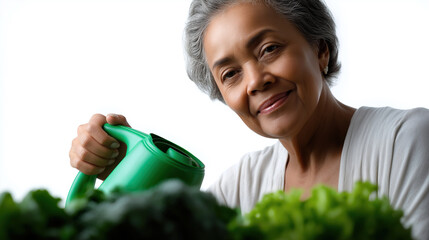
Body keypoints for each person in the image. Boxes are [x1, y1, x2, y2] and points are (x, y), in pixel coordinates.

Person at [68, 0, 429, 239]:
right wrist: (122, 179)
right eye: (230, 74)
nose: (256, 81)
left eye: (269, 49)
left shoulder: (407, 141)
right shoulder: (238, 189)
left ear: (320, 49)